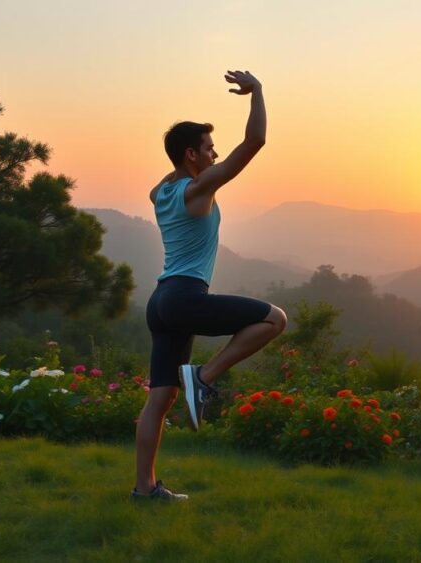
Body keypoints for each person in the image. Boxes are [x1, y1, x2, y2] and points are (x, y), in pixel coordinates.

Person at [131, 70, 288, 501]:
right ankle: (204, 377)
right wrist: (258, 91)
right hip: (184, 296)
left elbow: (167, 177)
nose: (216, 154)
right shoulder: (198, 190)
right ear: (191, 155)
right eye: (208, 149)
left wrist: (185, 163)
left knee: (159, 400)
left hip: (161, 301)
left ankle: (145, 490)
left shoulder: (159, 192)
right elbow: (253, 143)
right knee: (274, 320)